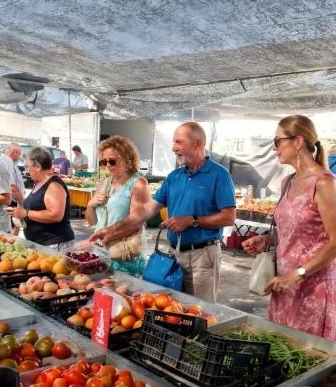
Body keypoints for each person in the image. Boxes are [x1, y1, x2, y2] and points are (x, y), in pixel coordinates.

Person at [89, 122, 235, 302]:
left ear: (197, 144)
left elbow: (229, 217)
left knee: (200, 309)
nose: (173, 148)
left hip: (202, 257)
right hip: (172, 253)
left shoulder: (219, 175)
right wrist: (111, 229)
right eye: (173, 142)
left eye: (179, 142)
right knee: (170, 306)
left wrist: (191, 220)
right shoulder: (174, 176)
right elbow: (147, 209)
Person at [242, 116, 336, 341]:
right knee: (282, 349)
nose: (274, 147)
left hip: (314, 290)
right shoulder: (287, 182)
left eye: (277, 141)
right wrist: (267, 239)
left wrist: (297, 274)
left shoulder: (324, 183)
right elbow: (295, 231)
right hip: (285, 286)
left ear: (298, 142)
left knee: (309, 356)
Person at [85, 137, 151, 276]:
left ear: (126, 158)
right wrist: (90, 204)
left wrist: (106, 236)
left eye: (112, 161)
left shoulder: (138, 184)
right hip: (100, 252)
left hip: (124, 253)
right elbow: (92, 222)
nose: (108, 165)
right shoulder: (103, 183)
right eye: (104, 161)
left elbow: (137, 222)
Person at [7, 146, 75, 249]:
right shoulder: (39, 182)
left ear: (38, 166)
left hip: (54, 244)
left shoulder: (54, 185)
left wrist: (26, 213)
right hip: (40, 243)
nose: (27, 170)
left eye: (27, 167)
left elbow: (56, 215)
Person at [0, 142, 26, 235]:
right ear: (15, 152)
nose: (19, 157)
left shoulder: (0, 160)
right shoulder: (8, 162)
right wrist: (24, 203)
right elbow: (12, 187)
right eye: (19, 154)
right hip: (10, 202)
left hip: (5, 201)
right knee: (12, 231)